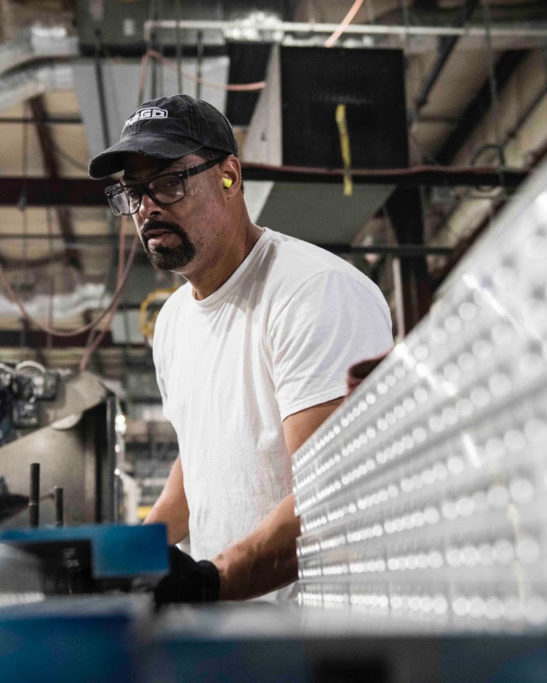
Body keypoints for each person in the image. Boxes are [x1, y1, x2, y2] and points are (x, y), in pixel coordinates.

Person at [88, 94, 394, 603]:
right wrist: (127, 562)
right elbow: (201, 462)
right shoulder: (173, 322)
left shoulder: (313, 292)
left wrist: (212, 580)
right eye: (134, 193)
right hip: (231, 630)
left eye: (168, 182)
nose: (147, 208)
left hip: (319, 636)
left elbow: (335, 496)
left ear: (228, 176)